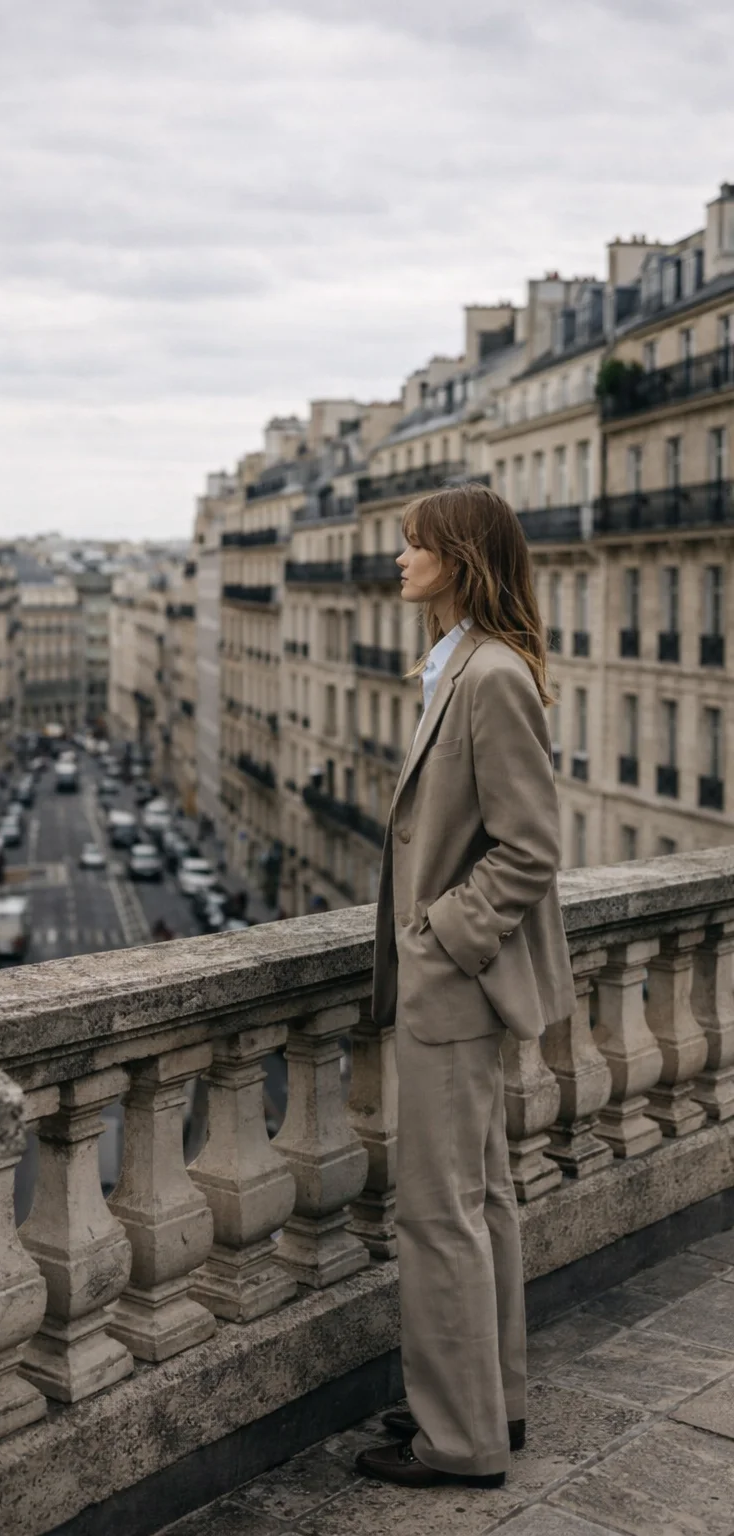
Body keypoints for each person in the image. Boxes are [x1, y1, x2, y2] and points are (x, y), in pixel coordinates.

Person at [356, 484, 576, 1492]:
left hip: (453, 984)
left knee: (438, 1213)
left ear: (460, 557)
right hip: (458, 984)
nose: (400, 559)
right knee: (479, 1201)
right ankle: (495, 1403)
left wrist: (439, 934)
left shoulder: (487, 677)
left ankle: (455, 1442)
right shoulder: (459, 667)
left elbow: (529, 847)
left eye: (415, 545)